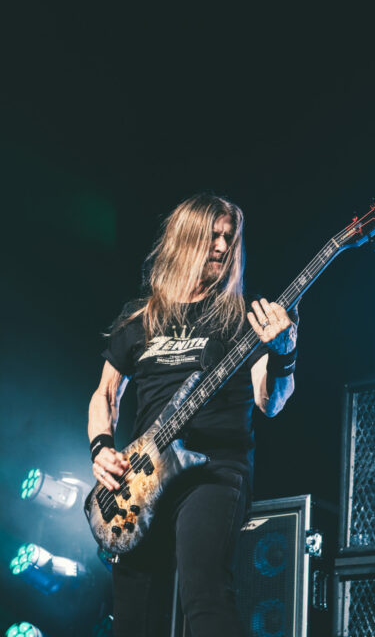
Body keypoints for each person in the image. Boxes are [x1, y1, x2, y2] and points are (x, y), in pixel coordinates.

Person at [88, 193, 298, 637]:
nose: (222, 246)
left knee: (205, 596)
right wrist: (101, 447)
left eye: (229, 237)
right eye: (212, 236)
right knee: (133, 617)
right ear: (184, 239)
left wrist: (285, 356)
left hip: (214, 470)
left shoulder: (246, 315)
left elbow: (271, 402)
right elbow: (105, 393)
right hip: (142, 477)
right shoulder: (140, 316)